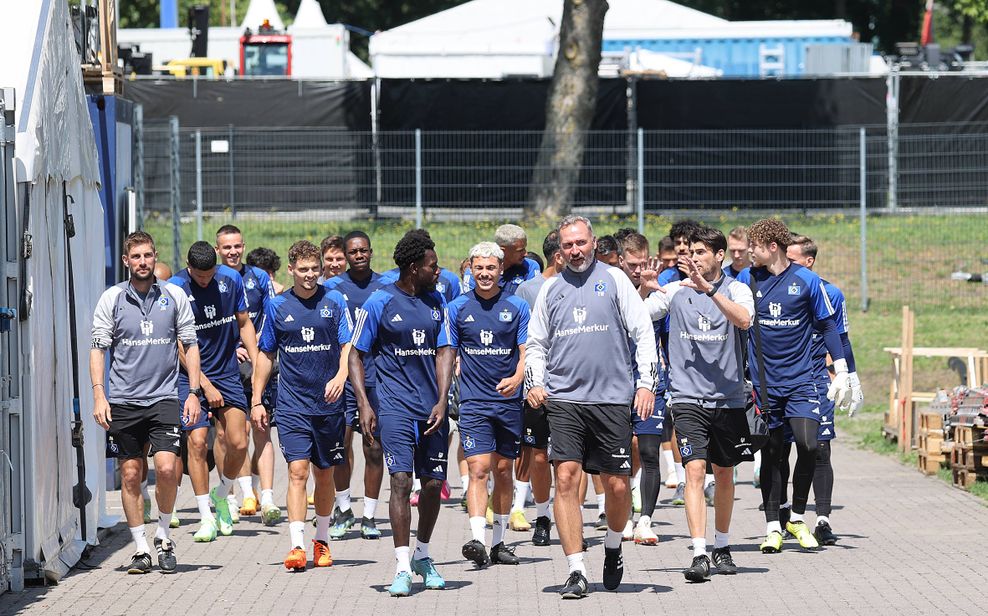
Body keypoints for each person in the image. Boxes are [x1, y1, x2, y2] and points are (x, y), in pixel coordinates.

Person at [526, 215, 658, 598]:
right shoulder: (551, 290)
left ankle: (613, 547)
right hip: (565, 399)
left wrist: (646, 384)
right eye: (568, 245)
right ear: (559, 250)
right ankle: (576, 569)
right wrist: (535, 383)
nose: (575, 251)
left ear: (593, 242)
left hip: (612, 400)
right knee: (565, 477)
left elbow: (643, 332)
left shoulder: (614, 279)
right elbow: (535, 345)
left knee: (617, 486)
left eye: (581, 243)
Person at [734, 219, 851, 554]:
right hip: (764, 385)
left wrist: (842, 370)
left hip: (801, 381)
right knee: (771, 454)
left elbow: (828, 325)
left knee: (809, 445)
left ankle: (797, 517)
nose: (748, 253)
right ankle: (773, 526)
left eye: (753, 246)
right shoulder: (747, 278)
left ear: (772, 247)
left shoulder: (806, 280)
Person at [643, 226, 753, 582]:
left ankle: (722, 545)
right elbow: (637, 317)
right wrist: (643, 288)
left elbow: (744, 319)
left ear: (719, 255)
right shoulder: (674, 291)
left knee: (724, 473)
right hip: (686, 397)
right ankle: (700, 552)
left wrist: (710, 291)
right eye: (690, 253)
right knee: (693, 471)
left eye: (701, 253)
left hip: (729, 398)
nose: (693, 259)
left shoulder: (737, 289)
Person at [349, 230, 454, 597]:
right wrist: (364, 403)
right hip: (393, 407)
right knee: (400, 482)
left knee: (432, 485)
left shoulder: (437, 301)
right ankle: (402, 565)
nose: (438, 271)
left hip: (432, 410)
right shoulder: (379, 302)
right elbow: (355, 354)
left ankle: (423, 554)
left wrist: (442, 401)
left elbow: (444, 352)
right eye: (432, 265)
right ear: (413, 268)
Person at [91, 231, 202, 574]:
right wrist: (99, 394)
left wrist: (194, 392)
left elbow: (190, 345)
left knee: (168, 469)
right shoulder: (111, 298)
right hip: (123, 400)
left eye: (147, 256)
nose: (142, 262)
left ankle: (164, 536)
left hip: (165, 397)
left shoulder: (175, 295)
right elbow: (98, 348)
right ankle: (140, 547)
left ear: (156, 257)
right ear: (126, 261)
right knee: (130, 473)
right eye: (135, 257)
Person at [251, 240, 352, 571]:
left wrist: (341, 375)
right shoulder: (278, 307)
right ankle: (296, 546)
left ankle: (321, 540)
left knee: (324, 475)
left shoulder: (334, 301)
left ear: (321, 269)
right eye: (303, 270)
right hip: (293, 403)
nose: (310, 275)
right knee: (297, 471)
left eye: (315, 269)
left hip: (329, 404)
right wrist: (257, 399)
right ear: (291, 270)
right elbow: (266, 354)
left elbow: (347, 344)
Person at [169, 241, 258, 542]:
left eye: (209, 275)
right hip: (190, 376)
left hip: (228, 372)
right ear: (188, 266)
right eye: (199, 275)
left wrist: (257, 361)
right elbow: (178, 344)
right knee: (196, 442)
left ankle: (222, 495)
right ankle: (206, 516)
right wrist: (203, 385)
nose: (205, 280)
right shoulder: (176, 288)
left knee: (239, 441)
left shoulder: (231, 280)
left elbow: (243, 322)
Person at [448, 242, 529, 568]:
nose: (484, 273)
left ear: (500, 270)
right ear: (470, 269)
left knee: (503, 470)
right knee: (479, 469)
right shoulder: (457, 307)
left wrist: (519, 377)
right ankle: (478, 541)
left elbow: (527, 351)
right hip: (473, 402)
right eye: (478, 268)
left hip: (508, 402)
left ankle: (499, 543)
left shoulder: (516, 305)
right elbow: (448, 353)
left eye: (490, 268)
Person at [785, 234, 864, 546]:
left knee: (819, 448)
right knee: (780, 451)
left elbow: (841, 338)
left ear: (809, 261)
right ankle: (782, 518)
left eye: (791, 259)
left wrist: (852, 378)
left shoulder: (830, 292)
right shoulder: (774, 288)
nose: (785, 265)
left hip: (817, 379)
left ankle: (823, 519)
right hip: (783, 379)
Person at [323, 230, 387, 540]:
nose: (358, 255)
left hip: (375, 378)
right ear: (345, 256)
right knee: (340, 447)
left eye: (363, 250)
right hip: (342, 379)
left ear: (371, 251)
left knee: (374, 448)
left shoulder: (384, 286)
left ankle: (370, 516)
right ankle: (344, 508)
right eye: (353, 252)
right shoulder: (333, 288)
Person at [214, 225, 280, 526]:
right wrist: (232, 347)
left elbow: (269, 316)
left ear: (243, 246)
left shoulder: (259, 278)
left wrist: (260, 353)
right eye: (226, 247)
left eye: (237, 246)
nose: (232, 252)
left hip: (258, 363)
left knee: (263, 426)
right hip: (226, 365)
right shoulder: (211, 278)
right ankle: (235, 494)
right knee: (229, 434)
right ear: (218, 249)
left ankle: (265, 497)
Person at [513, 231, 561, 547]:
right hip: (539, 388)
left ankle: (575, 519)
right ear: (558, 256)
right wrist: (529, 382)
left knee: (573, 461)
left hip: (575, 387)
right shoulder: (527, 290)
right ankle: (542, 516)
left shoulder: (580, 286)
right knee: (540, 458)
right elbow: (525, 343)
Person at [618, 232, 665, 545]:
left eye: (641, 263)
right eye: (631, 264)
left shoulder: (659, 292)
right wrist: (640, 292)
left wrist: (650, 291)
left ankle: (645, 520)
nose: (637, 270)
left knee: (649, 452)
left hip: (651, 384)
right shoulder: (609, 288)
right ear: (621, 261)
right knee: (618, 455)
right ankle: (619, 515)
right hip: (616, 386)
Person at [654, 221, 704, 506]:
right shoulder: (666, 279)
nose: (683, 248)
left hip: (707, 354)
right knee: (677, 420)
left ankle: (712, 480)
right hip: (676, 355)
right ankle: (685, 480)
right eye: (678, 244)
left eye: (688, 243)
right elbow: (657, 319)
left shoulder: (710, 277)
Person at [463, 224, 541, 296]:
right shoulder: (475, 272)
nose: (525, 254)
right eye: (520, 250)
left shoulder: (530, 267)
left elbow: (533, 299)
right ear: (503, 251)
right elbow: (469, 302)